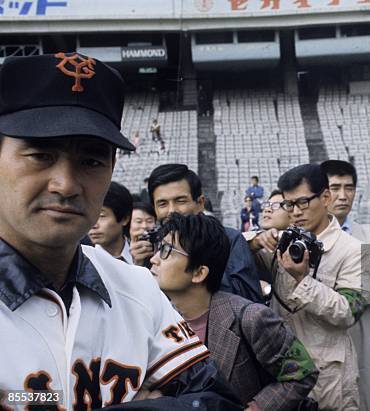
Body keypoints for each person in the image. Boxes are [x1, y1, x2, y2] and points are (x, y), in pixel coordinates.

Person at [0, 53, 240, 409]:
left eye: (91, 161)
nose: (66, 185)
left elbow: (217, 401)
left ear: (112, 168)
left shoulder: (137, 286)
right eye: (41, 155)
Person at [151, 212, 319, 410]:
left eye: (166, 251)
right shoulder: (157, 320)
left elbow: (303, 372)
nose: (154, 259)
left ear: (199, 272)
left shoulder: (250, 317)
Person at [249, 164, 365, 410]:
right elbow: (238, 251)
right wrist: (258, 241)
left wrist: (304, 281)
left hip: (328, 378)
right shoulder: (283, 241)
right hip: (282, 375)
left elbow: (348, 312)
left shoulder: (352, 249)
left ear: (325, 197)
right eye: (289, 205)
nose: (296, 212)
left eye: (303, 202)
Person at [140, 163, 264, 303]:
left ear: (200, 203)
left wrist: (198, 267)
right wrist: (137, 265)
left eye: (180, 201)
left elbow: (250, 299)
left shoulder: (229, 239)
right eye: (162, 204)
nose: (171, 210)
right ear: (154, 209)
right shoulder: (152, 248)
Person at [320, 159, 370, 411]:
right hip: (324, 341)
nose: (343, 195)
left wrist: (328, 286)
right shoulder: (305, 236)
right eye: (335, 188)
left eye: (349, 188)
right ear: (322, 193)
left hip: (365, 339)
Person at [88, 181, 133, 263]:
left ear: (124, 219)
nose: (93, 225)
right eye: (89, 215)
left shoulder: (144, 256)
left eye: (101, 216)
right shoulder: (83, 263)